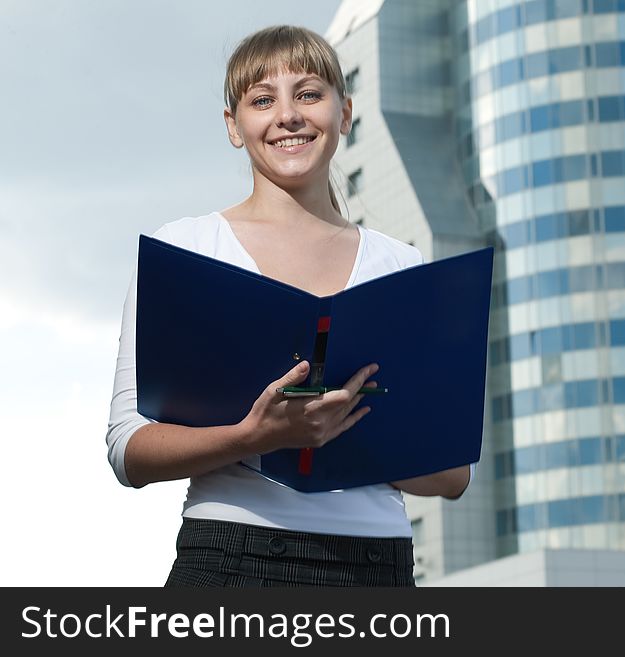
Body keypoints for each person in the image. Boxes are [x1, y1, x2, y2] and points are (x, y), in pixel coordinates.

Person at [106, 25, 472, 587]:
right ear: (234, 126)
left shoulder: (403, 266)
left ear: (344, 112)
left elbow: (451, 475)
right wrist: (256, 437)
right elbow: (129, 448)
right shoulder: (185, 250)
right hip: (232, 559)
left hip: (377, 566)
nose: (288, 116)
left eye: (308, 94)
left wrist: (339, 427)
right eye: (261, 100)